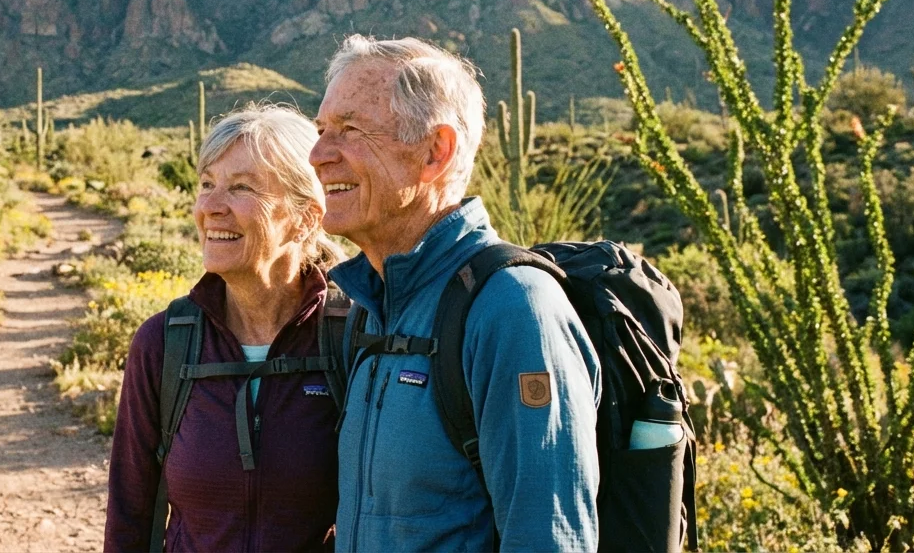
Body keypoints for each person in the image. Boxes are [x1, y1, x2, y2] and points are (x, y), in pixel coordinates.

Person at [309, 35, 601, 552]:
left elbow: (550, 538)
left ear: (434, 152)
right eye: (321, 130)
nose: (318, 154)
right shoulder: (368, 308)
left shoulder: (512, 308)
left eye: (350, 130)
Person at [105, 104, 348, 552]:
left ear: (307, 217)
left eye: (240, 188)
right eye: (206, 185)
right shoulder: (165, 343)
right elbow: (129, 516)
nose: (210, 208)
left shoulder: (351, 337)